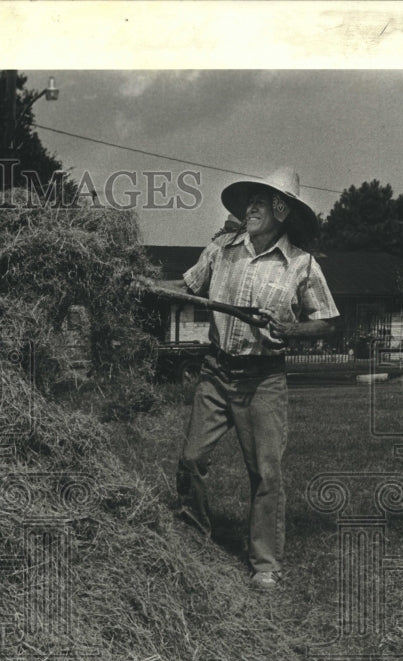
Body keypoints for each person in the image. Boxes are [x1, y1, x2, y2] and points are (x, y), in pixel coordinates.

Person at [138, 167, 340, 590]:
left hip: (263, 379)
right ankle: (194, 538)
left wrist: (291, 330)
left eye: (261, 203)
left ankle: (264, 563)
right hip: (216, 371)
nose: (250, 208)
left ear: (281, 211)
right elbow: (187, 286)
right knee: (191, 459)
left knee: (266, 473)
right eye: (249, 201)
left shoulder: (301, 265)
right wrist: (146, 286)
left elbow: (326, 321)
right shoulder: (222, 250)